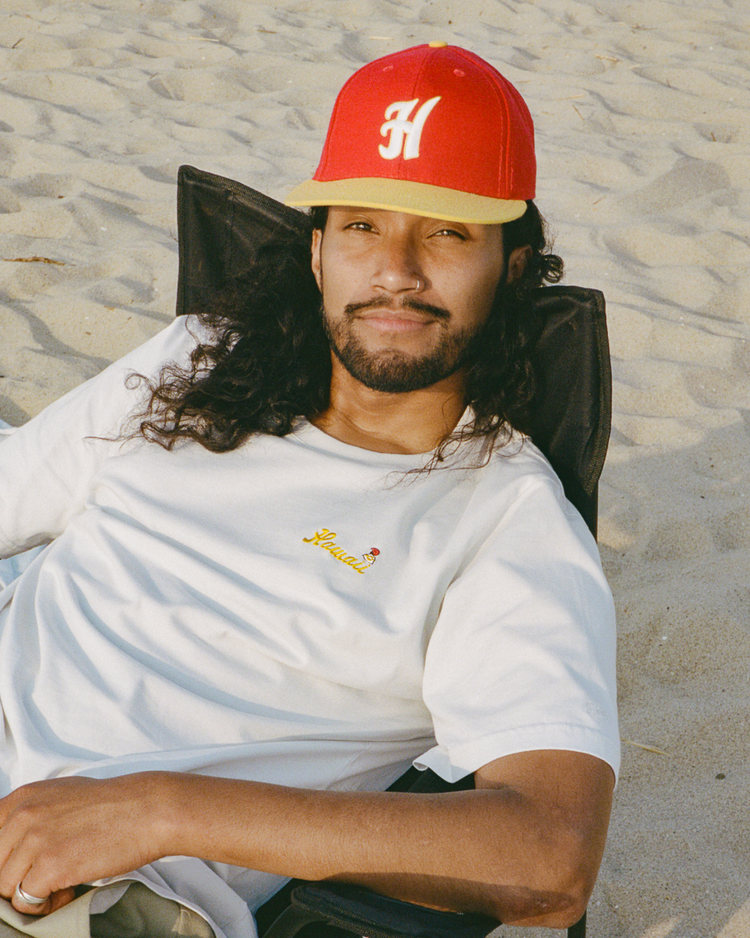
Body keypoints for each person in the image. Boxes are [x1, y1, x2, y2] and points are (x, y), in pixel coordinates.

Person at [0, 43, 618, 938]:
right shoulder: (198, 360)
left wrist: (157, 810)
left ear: (514, 266)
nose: (396, 270)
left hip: (80, 885)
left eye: (446, 233)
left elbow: (550, 857)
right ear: (319, 250)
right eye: (363, 226)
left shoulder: (505, 519)